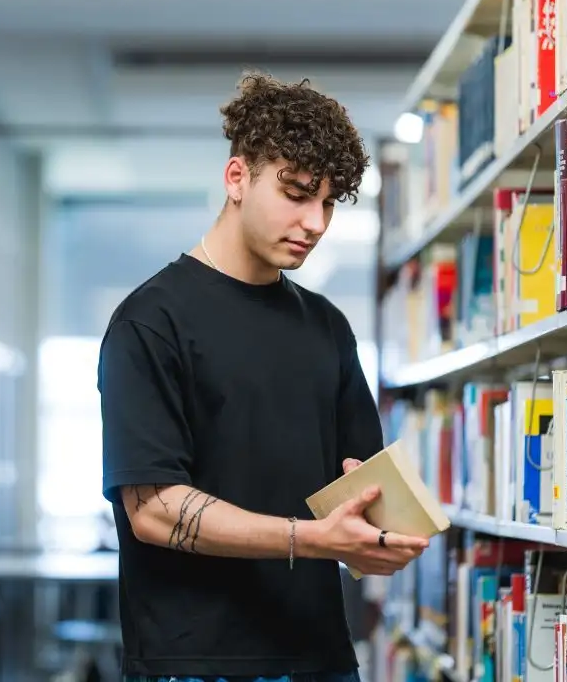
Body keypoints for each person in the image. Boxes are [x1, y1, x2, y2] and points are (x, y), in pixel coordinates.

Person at [97, 72, 429, 682]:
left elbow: (358, 482)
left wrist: (388, 529)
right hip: (191, 662)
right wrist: (311, 540)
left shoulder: (328, 327)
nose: (316, 222)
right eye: (297, 193)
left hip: (318, 657)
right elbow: (153, 510)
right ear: (237, 178)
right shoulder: (149, 322)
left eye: (328, 202)